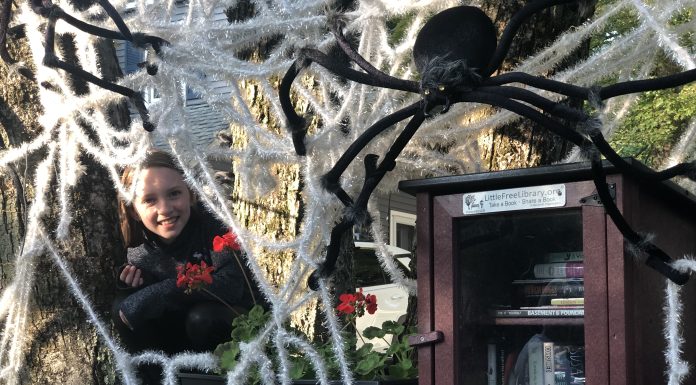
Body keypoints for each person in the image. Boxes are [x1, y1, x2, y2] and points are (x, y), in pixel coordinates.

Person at [112, 150, 263, 364]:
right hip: (179, 341)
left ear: (190, 193)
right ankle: (157, 377)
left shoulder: (213, 228)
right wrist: (130, 287)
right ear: (134, 211)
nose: (165, 209)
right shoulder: (139, 252)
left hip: (231, 328)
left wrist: (161, 292)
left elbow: (231, 286)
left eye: (174, 194)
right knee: (123, 308)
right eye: (150, 200)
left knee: (202, 317)